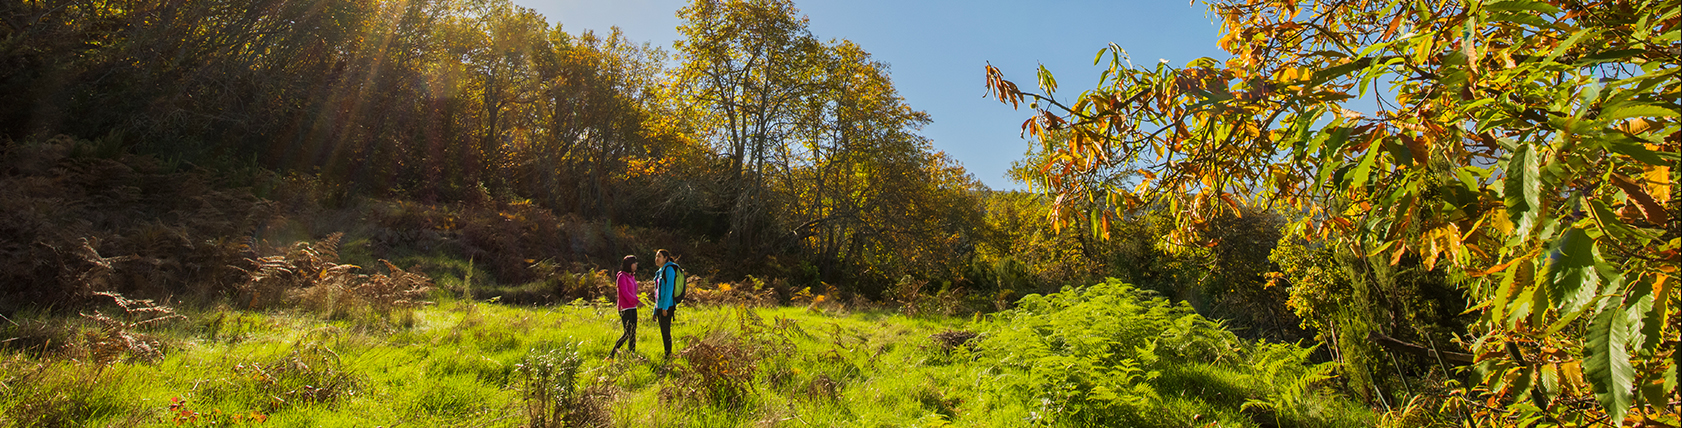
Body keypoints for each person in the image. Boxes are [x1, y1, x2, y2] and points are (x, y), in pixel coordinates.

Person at [650, 249, 681, 358]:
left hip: (667, 306)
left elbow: (669, 290)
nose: (656, 259)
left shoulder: (669, 270)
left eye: (659, 256)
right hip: (660, 306)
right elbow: (658, 293)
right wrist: (655, 309)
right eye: (656, 256)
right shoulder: (659, 271)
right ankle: (667, 354)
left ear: (666, 258)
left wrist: (665, 308)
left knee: (666, 331)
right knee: (663, 331)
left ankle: (668, 355)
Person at [608, 255, 640, 359]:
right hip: (624, 308)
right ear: (629, 264)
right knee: (627, 333)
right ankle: (611, 355)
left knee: (633, 333)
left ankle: (632, 354)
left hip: (632, 307)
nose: (636, 265)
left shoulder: (632, 276)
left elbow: (633, 292)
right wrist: (636, 301)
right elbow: (625, 293)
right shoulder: (621, 276)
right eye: (634, 263)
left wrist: (636, 301)